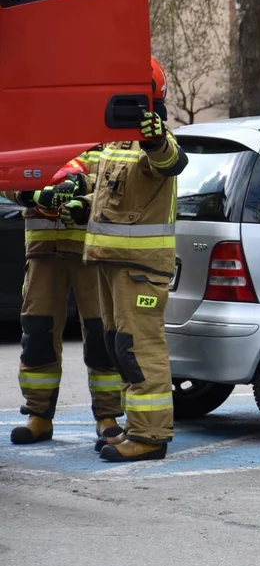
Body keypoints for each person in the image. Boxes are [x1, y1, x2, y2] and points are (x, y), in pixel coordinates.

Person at [62, 57, 189, 462]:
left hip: (140, 270)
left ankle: (151, 437)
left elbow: (170, 162)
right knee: (120, 348)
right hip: (111, 262)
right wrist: (79, 206)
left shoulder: (151, 140)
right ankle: (136, 428)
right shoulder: (114, 144)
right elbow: (111, 198)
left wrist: (155, 139)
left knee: (141, 349)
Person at [5, 148, 123, 446]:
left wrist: (81, 185)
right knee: (38, 332)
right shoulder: (41, 139)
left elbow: (119, 181)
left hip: (91, 252)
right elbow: (8, 175)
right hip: (44, 253)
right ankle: (39, 416)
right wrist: (31, 195)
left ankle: (107, 416)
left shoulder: (105, 142)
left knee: (100, 333)